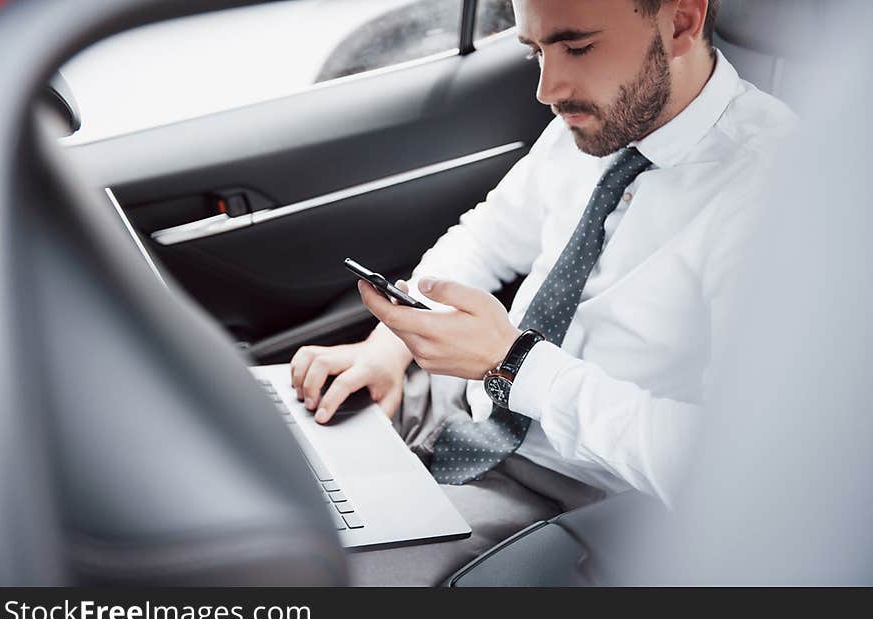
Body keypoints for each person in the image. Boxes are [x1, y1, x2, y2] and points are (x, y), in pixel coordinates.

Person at [290, 0, 796, 585]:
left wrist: (514, 363)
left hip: (578, 502)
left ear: (681, 21)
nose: (547, 89)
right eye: (536, 52)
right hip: (461, 412)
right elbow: (486, 237)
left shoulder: (774, 190)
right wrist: (385, 350)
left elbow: (731, 469)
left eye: (577, 47)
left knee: (297, 574)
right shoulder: (595, 120)